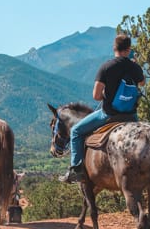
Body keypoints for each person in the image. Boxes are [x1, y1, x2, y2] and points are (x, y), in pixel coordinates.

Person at [59, 33, 145, 183]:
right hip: (131, 117)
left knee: (76, 132)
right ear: (128, 49)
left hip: (109, 115)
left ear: (114, 48)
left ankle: (76, 170)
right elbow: (142, 83)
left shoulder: (106, 67)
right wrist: (134, 66)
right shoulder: (134, 67)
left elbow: (96, 96)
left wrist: (107, 93)